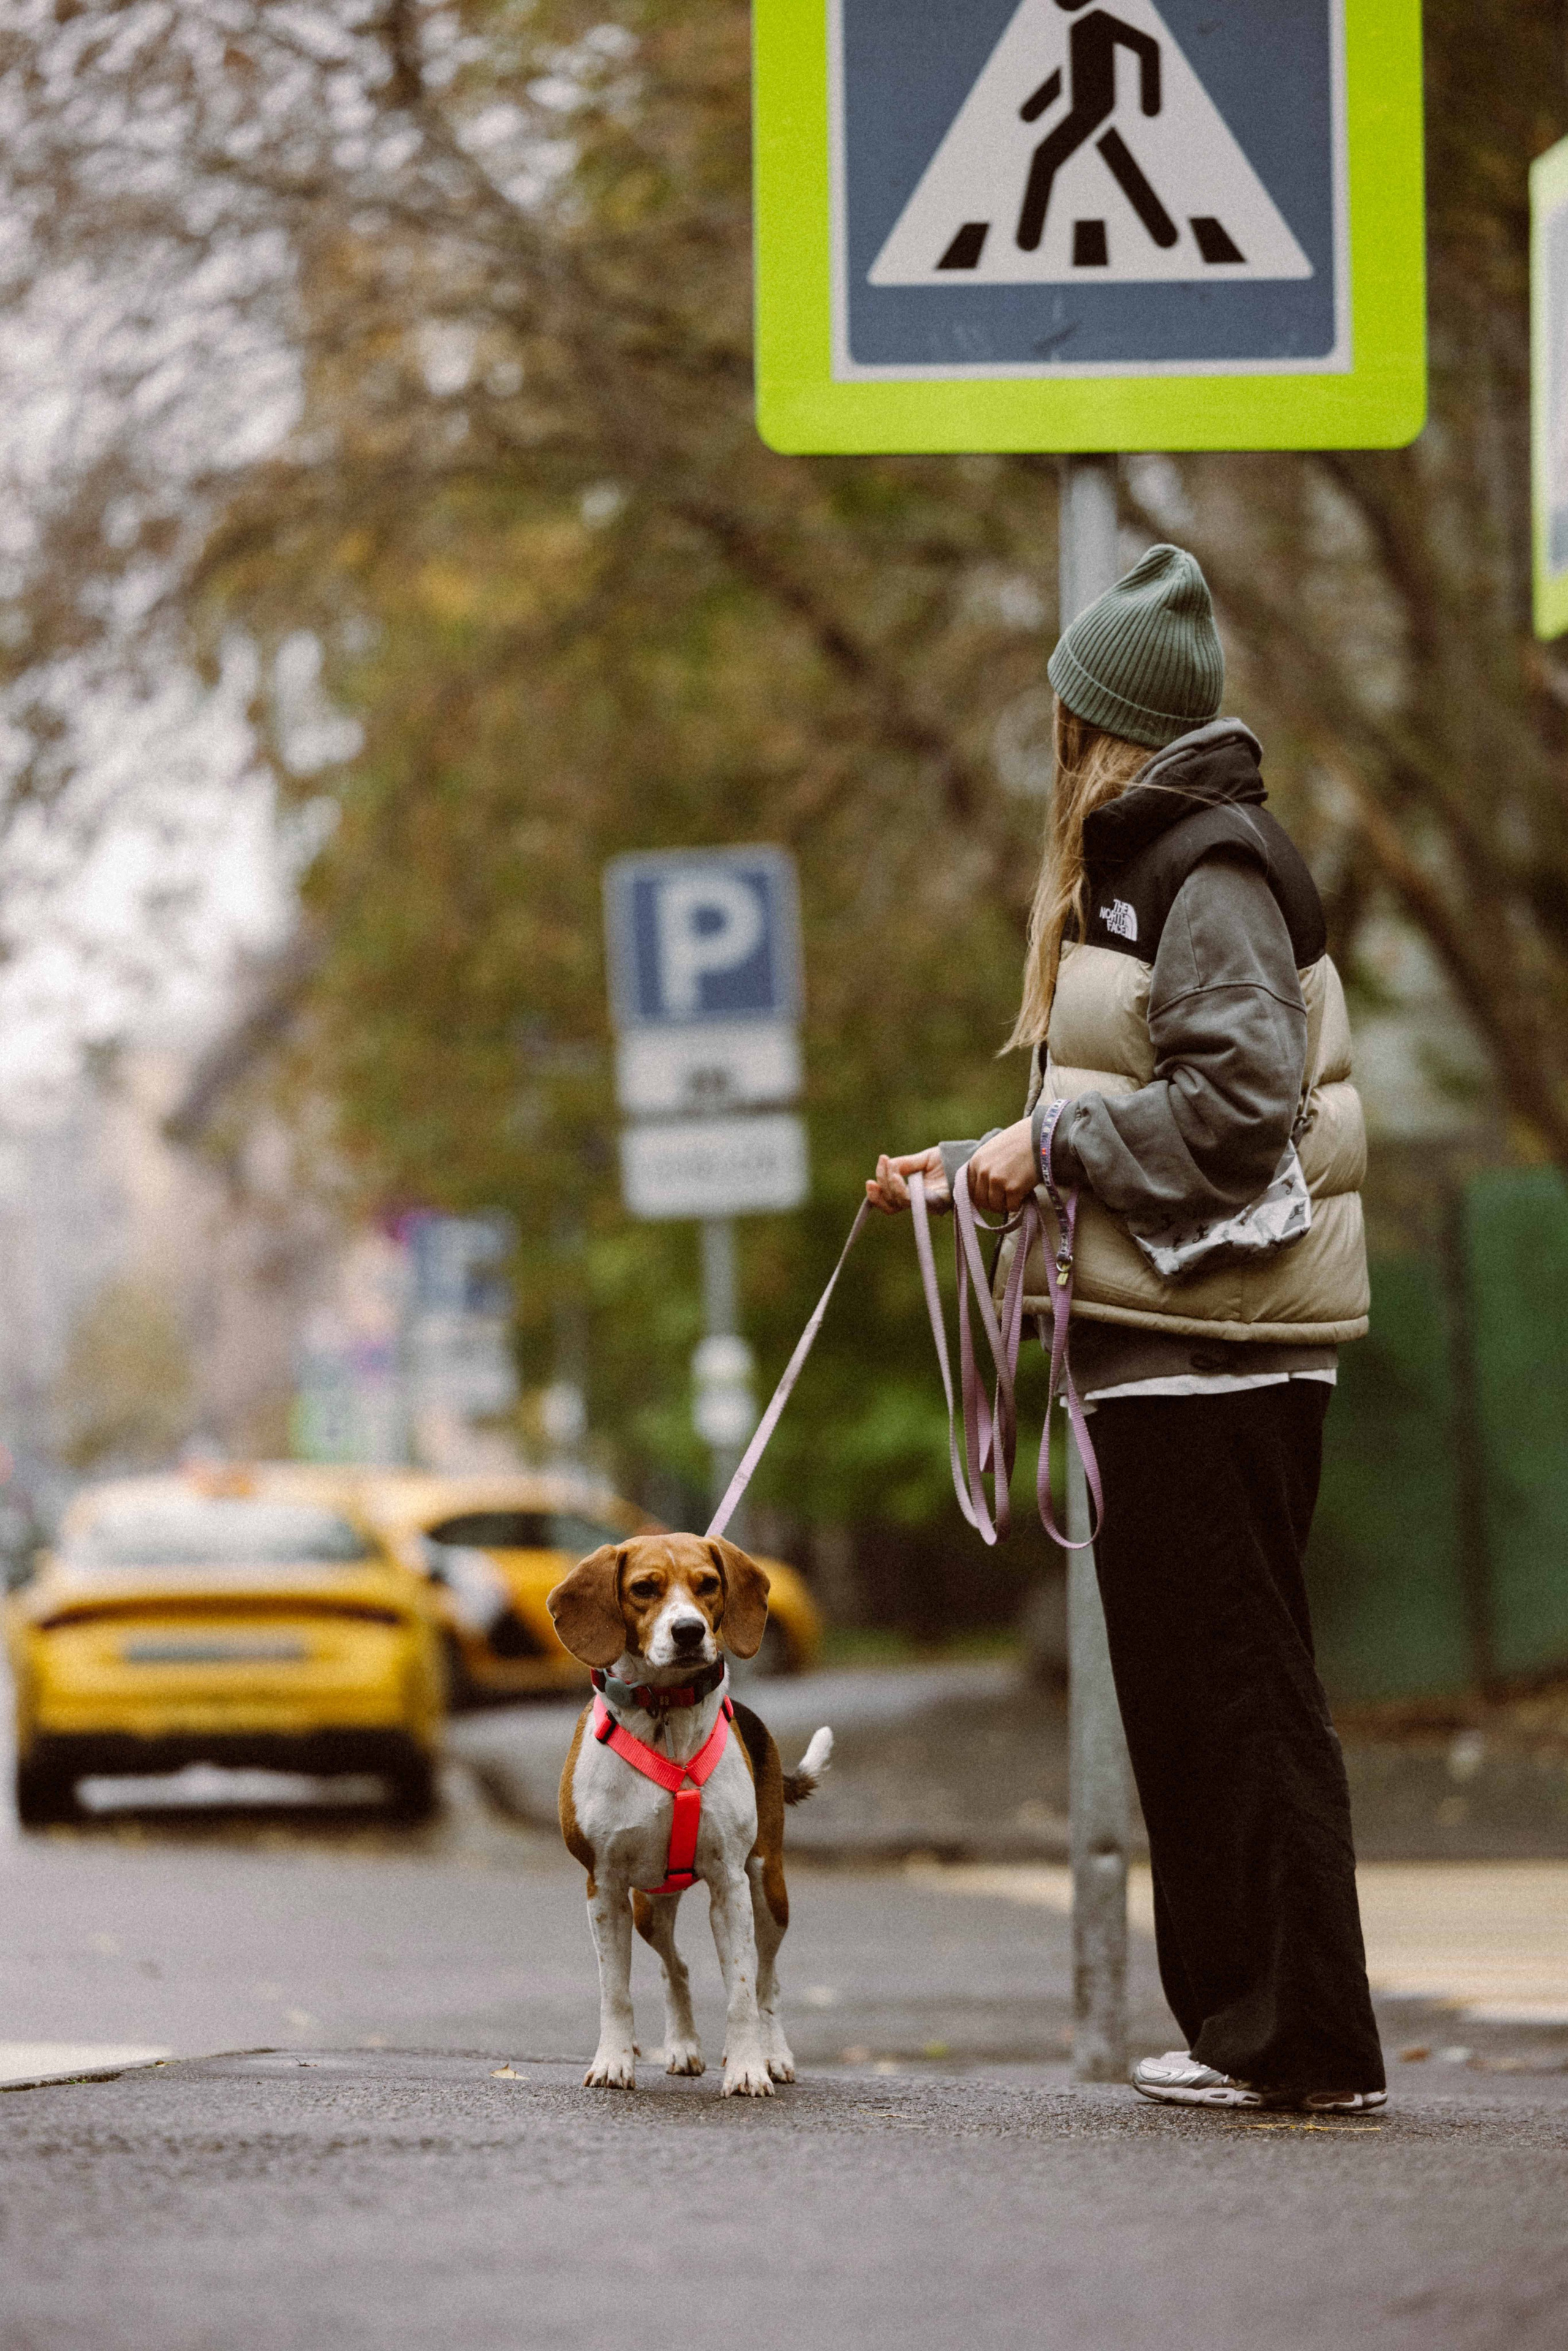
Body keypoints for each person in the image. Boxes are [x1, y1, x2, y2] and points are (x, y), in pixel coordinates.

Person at [867, 542, 1387, 2113]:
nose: (1049, 742)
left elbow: (1234, 1104)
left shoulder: (1203, 864)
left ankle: (1300, 2039)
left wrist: (1058, 1150)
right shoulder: (1143, 863)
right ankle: (1249, 2023)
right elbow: (1121, 1096)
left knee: (1236, 1692)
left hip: (1218, 1351)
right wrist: (975, 1166)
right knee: (1190, 1698)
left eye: (1064, 715)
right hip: (1165, 1348)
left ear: (1107, 724)